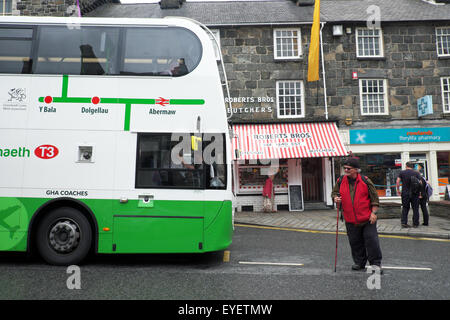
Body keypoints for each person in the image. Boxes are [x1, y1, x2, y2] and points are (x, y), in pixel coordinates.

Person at [331, 158, 382, 272]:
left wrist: (374, 213)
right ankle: (359, 262)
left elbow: (375, 198)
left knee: (372, 242)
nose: (346, 170)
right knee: (355, 242)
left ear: (356, 170)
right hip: (350, 218)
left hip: (367, 218)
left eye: (348, 168)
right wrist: (335, 198)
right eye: (345, 168)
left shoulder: (365, 181)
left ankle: (375, 264)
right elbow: (334, 193)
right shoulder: (340, 180)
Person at [396, 162, 422, 228]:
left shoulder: (402, 172)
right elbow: (421, 183)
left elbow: (397, 182)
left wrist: (398, 190)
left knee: (405, 208)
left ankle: (404, 223)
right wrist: (420, 192)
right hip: (415, 193)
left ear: (406, 166)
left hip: (405, 193)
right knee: (415, 209)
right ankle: (415, 223)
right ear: (412, 166)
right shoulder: (416, 173)